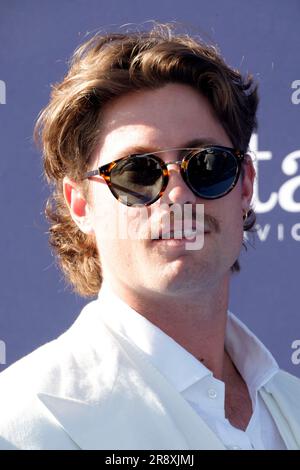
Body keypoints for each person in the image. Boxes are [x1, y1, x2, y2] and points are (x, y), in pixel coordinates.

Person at [0, 24, 299, 451]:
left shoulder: (291, 404)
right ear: (81, 205)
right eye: (136, 173)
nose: (178, 194)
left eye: (207, 165)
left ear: (246, 186)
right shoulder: (19, 424)